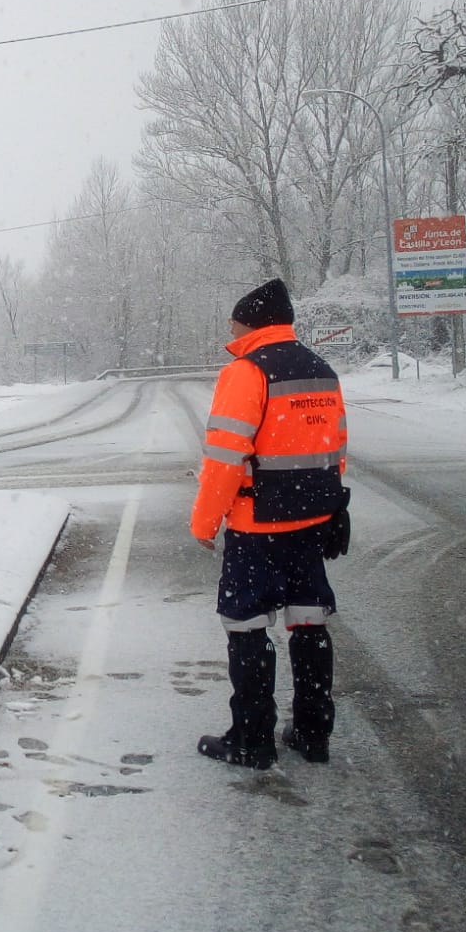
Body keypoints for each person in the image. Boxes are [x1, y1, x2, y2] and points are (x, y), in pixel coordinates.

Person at [191, 278, 349, 769]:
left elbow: (224, 457)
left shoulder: (246, 371)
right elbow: (335, 447)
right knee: (309, 620)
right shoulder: (320, 369)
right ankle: (312, 731)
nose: (230, 329)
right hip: (310, 521)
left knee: (248, 626)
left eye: (234, 322)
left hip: (257, 525)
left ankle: (252, 739)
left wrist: (204, 522)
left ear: (250, 322)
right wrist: (335, 507)